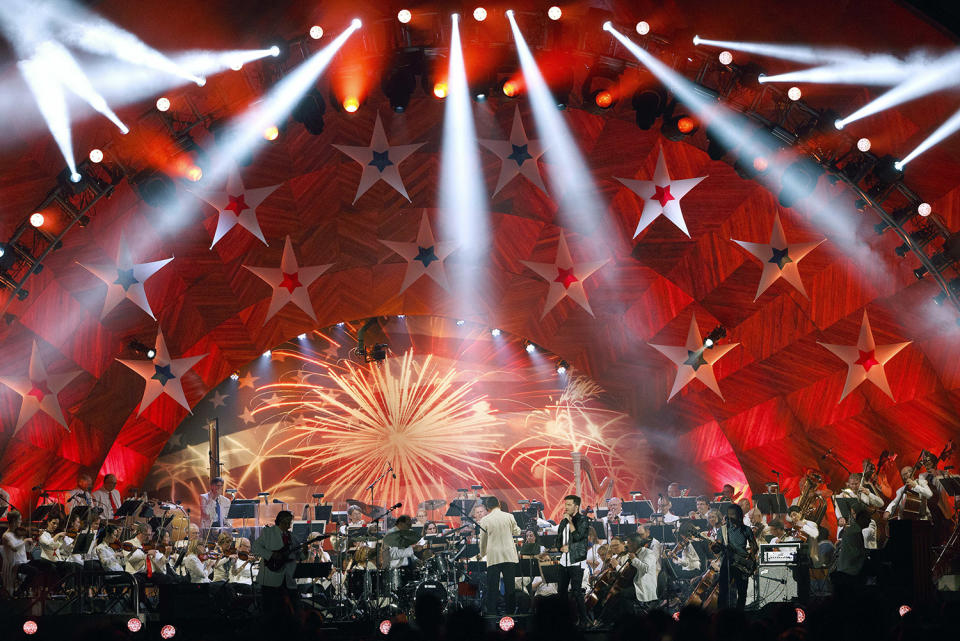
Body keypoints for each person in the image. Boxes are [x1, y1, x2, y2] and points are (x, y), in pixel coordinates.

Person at [252, 510, 315, 625]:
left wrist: (305, 551)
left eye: (289, 522)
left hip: (288, 577)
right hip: (271, 577)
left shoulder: (292, 537)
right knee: (271, 609)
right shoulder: (268, 533)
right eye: (286, 522)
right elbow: (255, 548)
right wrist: (271, 555)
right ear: (280, 521)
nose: (288, 525)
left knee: (293, 607)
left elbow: (299, 556)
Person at [478, 496, 521, 615]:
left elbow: (483, 540)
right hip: (509, 555)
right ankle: (511, 613)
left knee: (493, 587)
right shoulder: (509, 516)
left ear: (487, 508)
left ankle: (492, 613)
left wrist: (482, 554)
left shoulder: (485, 520)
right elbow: (516, 531)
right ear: (499, 504)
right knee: (510, 587)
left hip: (494, 556)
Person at [712, 504, 756, 611]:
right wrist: (715, 547)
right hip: (727, 562)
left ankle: (740, 614)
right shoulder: (723, 530)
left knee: (742, 592)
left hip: (742, 563)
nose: (730, 516)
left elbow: (754, 545)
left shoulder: (746, 530)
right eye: (729, 514)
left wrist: (751, 557)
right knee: (723, 591)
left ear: (739, 515)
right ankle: (721, 614)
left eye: (733, 514)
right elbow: (718, 547)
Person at [555, 494, 590, 626]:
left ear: (576, 506)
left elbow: (578, 537)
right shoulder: (563, 521)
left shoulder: (583, 520)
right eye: (565, 504)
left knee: (576, 591)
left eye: (569, 505)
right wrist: (560, 548)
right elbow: (558, 539)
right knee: (561, 591)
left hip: (576, 560)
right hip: (564, 560)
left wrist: (570, 521)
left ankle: (584, 620)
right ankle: (565, 619)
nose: (566, 507)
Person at [832, 509, 871, 599]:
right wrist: (869, 552)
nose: (869, 521)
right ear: (861, 519)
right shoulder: (855, 532)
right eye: (868, 518)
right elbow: (855, 552)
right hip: (850, 570)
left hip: (847, 568)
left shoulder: (854, 529)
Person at [2, 510, 34, 596]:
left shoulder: (18, 533)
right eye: (19, 519)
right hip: (14, 564)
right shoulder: (6, 536)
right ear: (13, 521)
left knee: (39, 567)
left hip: (23, 562)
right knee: (33, 571)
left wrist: (31, 545)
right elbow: (14, 548)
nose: (21, 521)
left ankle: (21, 591)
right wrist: (25, 541)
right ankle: (19, 592)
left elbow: (27, 550)